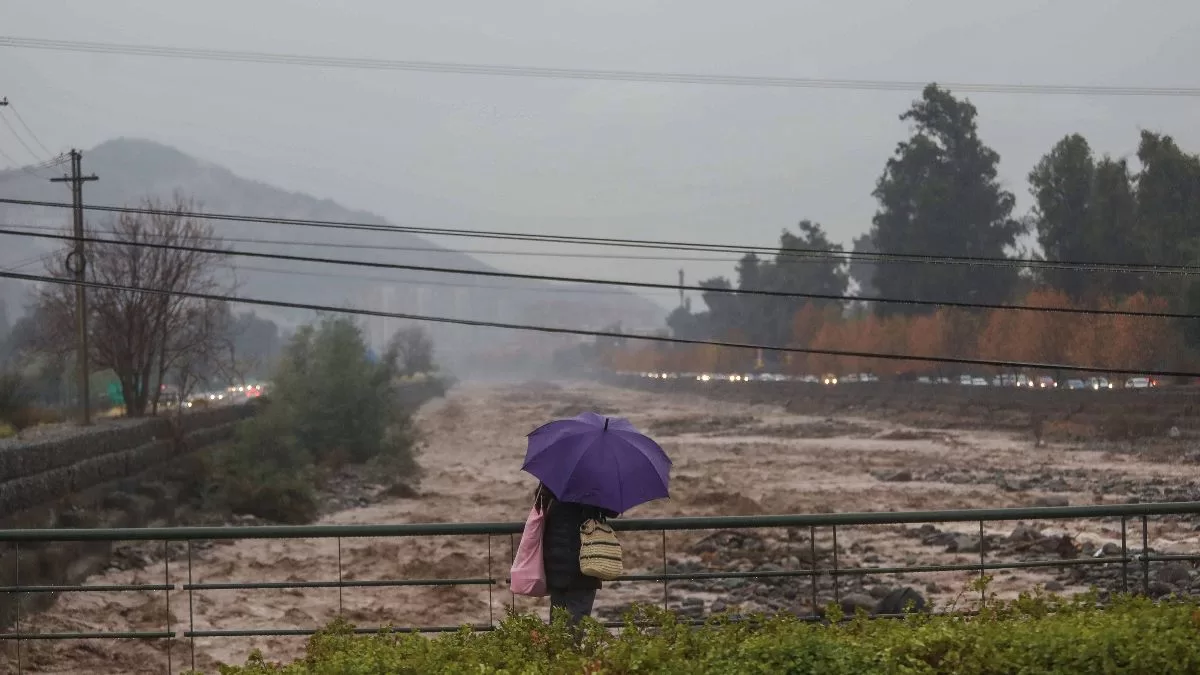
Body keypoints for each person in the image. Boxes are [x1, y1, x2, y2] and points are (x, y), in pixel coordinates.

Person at [534, 482, 618, 626]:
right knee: (575, 628)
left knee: (558, 627)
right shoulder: (591, 486)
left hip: (554, 564)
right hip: (583, 565)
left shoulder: (551, 484)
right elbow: (613, 510)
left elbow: (539, 506)